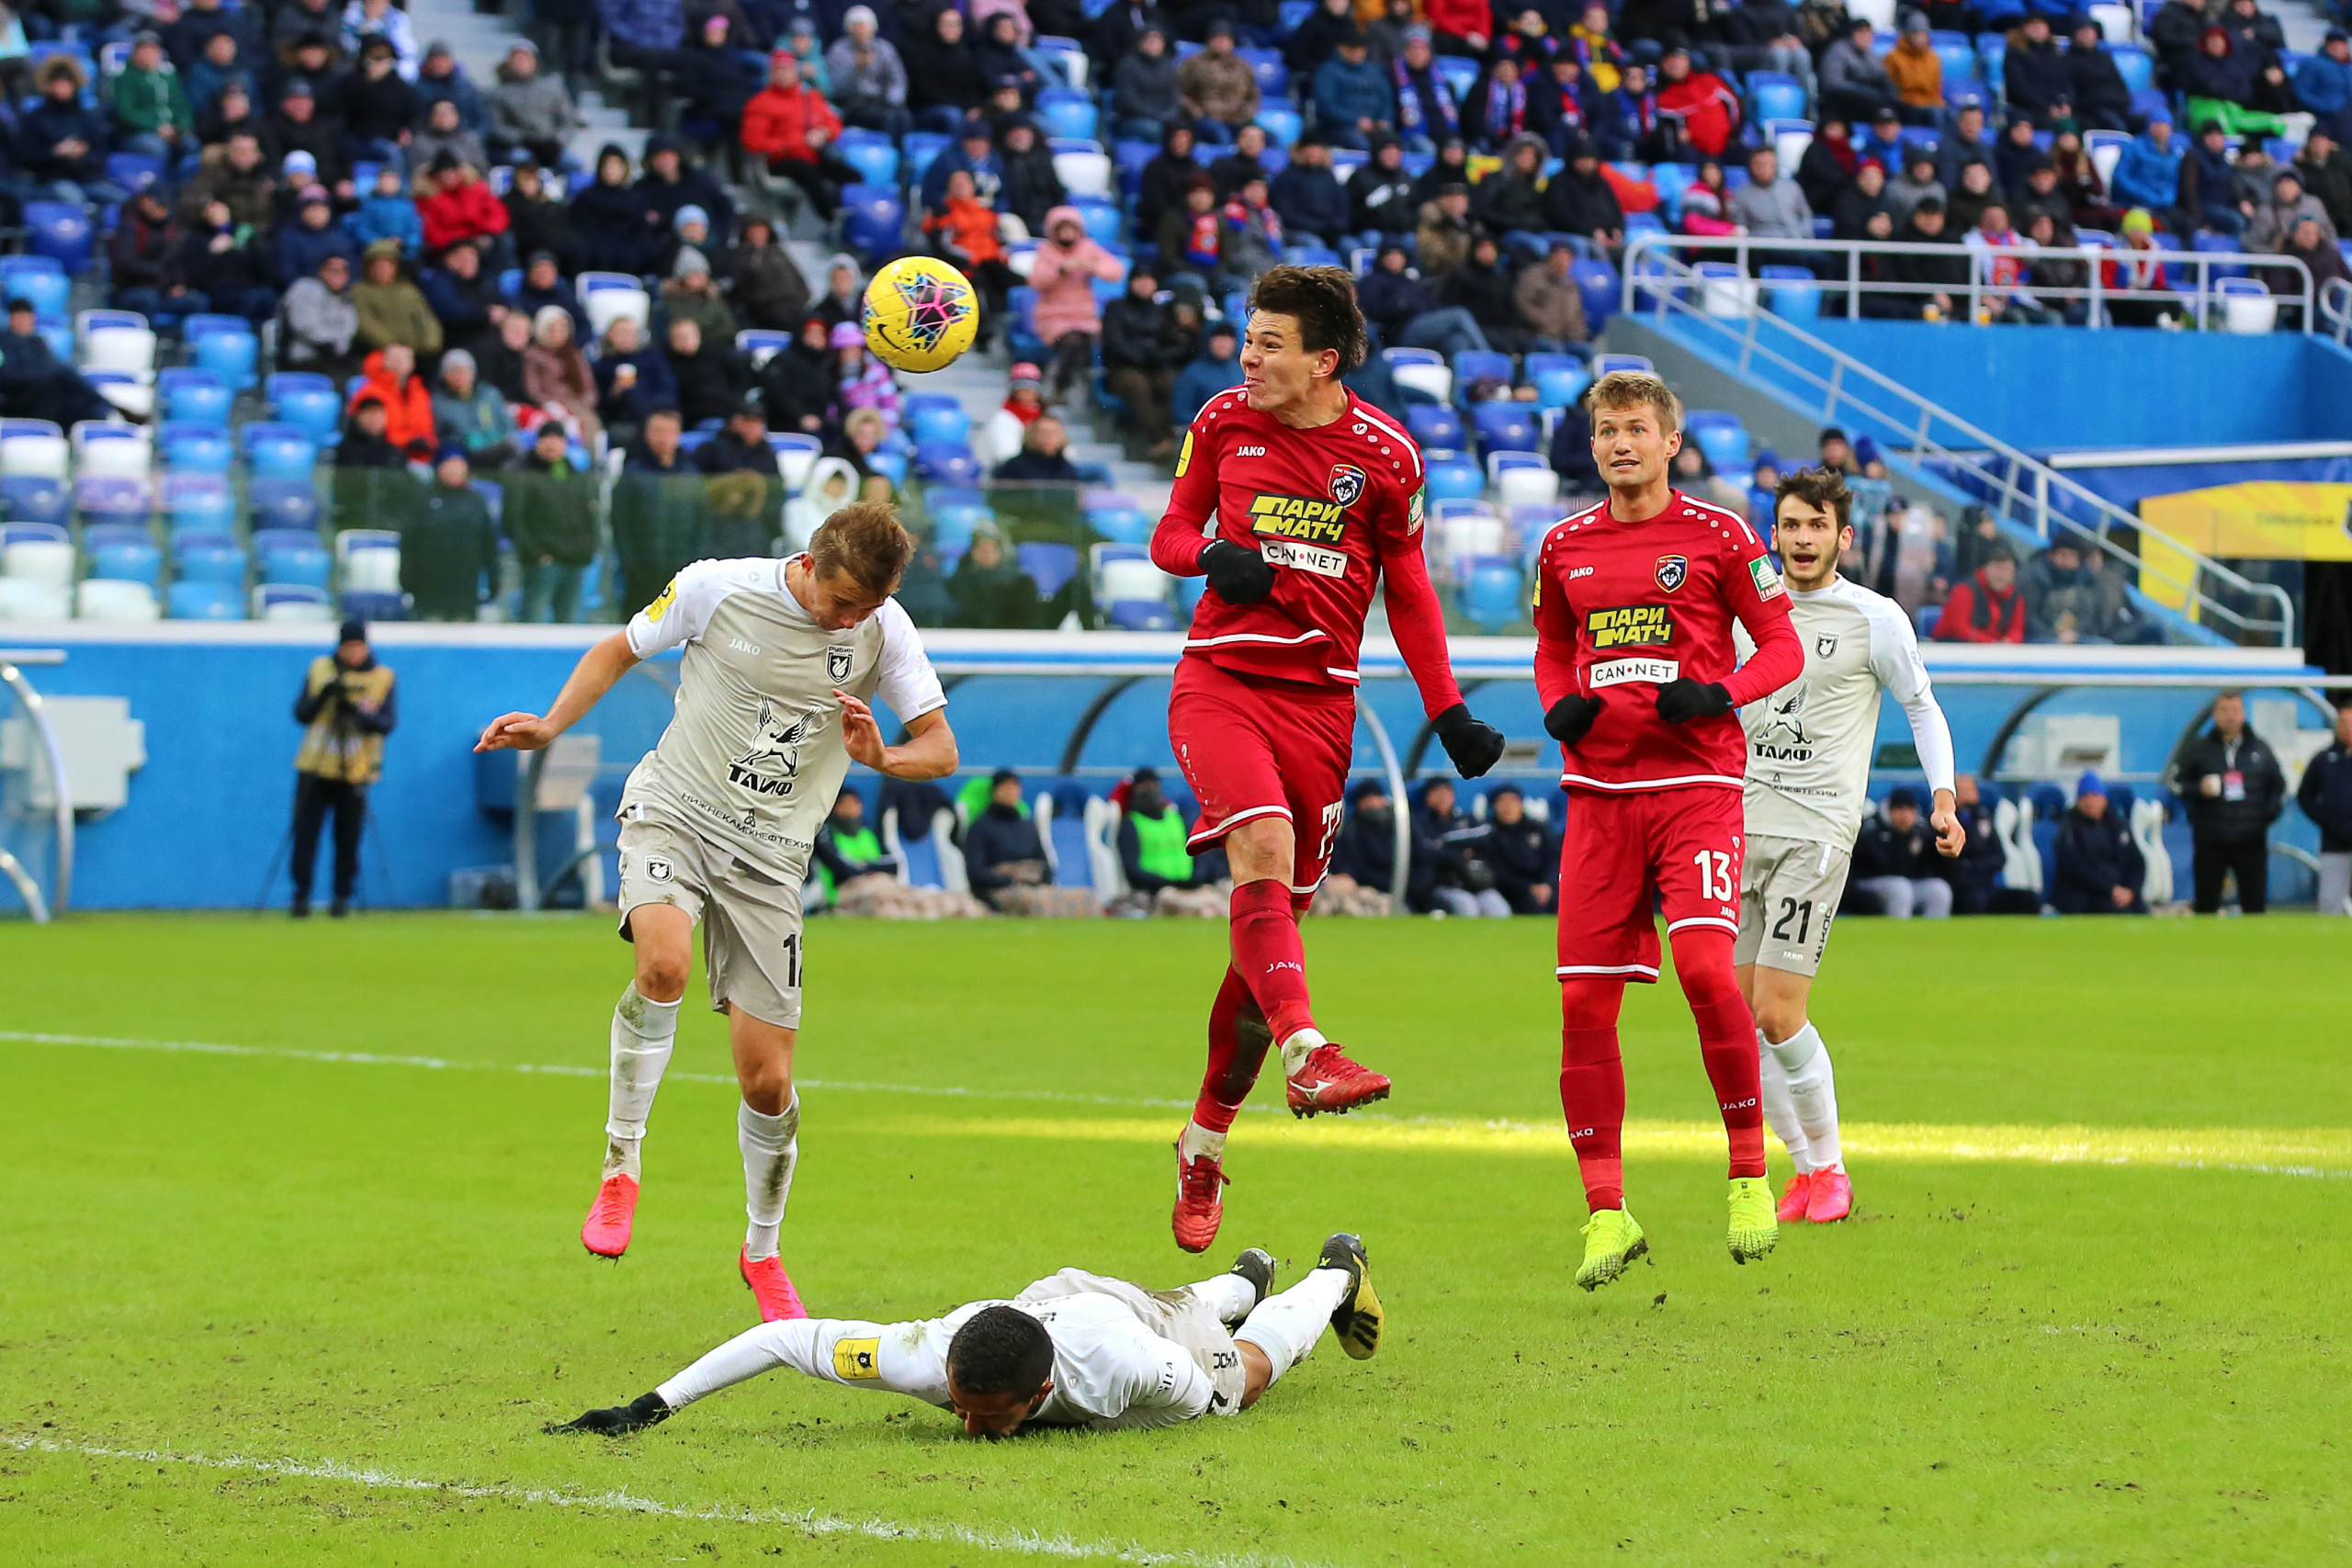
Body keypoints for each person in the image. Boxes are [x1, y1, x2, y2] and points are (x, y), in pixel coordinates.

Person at [475, 503, 958, 1321]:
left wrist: (882, 757)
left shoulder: (887, 630)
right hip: (677, 811)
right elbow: (619, 648)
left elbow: (941, 747)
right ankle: (621, 1165)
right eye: (842, 602)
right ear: (809, 562)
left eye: (867, 608)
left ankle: (761, 1250)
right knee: (661, 964)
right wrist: (552, 723)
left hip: (772, 861)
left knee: (768, 1081)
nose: (850, 619)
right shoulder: (715, 589)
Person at [1145, 265, 1498, 1247]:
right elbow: (1169, 530)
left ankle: (1204, 1145)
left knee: (1266, 953)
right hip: (1220, 681)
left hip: (1322, 711)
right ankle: (1312, 1050)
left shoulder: (1385, 456)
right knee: (1256, 846)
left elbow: (1411, 590)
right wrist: (1212, 555)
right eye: (1246, 339)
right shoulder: (1221, 423)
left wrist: (1450, 711)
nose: (1247, 359)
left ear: (1322, 361)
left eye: (1267, 345)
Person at [1529, 369, 1805, 1291]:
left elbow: (1781, 646)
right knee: (1579, 1005)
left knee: (1700, 970)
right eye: (1605, 429)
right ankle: (1605, 1211)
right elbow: (1550, 647)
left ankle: (1747, 1174)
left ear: (1670, 441)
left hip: (1696, 786)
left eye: (1635, 428)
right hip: (1599, 795)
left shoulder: (1722, 535)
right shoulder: (1561, 546)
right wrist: (1558, 703)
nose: (1618, 443)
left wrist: (1718, 692)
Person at [551, 1233, 1381, 1439]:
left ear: (1044, 1395)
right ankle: (1243, 1278)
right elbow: (781, 1339)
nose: (971, 1428)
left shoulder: (1125, 1372)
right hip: (1049, 1297)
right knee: (1170, 1303)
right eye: (964, 1404)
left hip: (1123, 1323)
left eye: (991, 1417)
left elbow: (1199, 1399)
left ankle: (1335, 1270)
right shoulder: (921, 1356)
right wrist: (647, 1405)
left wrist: (1207, 1384)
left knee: (1244, 1380)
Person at [1735, 468, 1961, 1224]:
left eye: (1817, 526)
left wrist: (1943, 796)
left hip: (1816, 829)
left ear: (1843, 536)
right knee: (1741, 1018)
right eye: (1791, 525)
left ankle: (1829, 1167)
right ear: (1775, 532)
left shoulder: (1875, 618)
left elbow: (1922, 708)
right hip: (1732, 824)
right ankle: (1805, 1171)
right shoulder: (1743, 610)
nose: (1803, 539)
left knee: (1777, 1007)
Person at [288, 620, 396, 919]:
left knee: (348, 838)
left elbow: (387, 723)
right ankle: (301, 896)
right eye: (348, 647)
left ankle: (342, 897)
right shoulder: (320, 670)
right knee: (306, 833)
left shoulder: (382, 678)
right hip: (315, 767)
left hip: (356, 770)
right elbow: (301, 713)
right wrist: (325, 696)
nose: (353, 654)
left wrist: (356, 714)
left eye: (358, 647)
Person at [2174, 690, 2286, 914]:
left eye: (2235, 710)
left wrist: (2262, 818)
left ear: (2243, 714)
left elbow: (2278, 787)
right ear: (2215, 715)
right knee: (2206, 907)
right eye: (2224, 711)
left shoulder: (2260, 749)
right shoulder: (2199, 750)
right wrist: (2200, 789)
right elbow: (2177, 785)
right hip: (2211, 840)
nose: (2230, 716)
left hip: (2250, 840)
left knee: (2254, 908)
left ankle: (2255, 949)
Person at [1028, 206, 1126, 400]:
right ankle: (1061, 385)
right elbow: (1036, 281)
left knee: (1094, 340)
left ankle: (1086, 388)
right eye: (1062, 229)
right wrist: (1061, 270)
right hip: (1054, 316)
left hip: (1084, 316)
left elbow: (1116, 270)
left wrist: (1093, 267)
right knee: (1072, 342)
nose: (1067, 234)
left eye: (1071, 229)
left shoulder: (1088, 249)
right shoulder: (1046, 252)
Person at [506, 423, 598, 622]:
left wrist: (586, 550)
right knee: (533, 621)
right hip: (542, 563)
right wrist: (537, 555)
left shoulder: (575, 475)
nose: (552, 444)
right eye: (546, 438)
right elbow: (513, 519)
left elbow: (589, 516)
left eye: (557, 439)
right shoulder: (522, 473)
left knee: (569, 623)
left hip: (575, 561)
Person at [403, 447, 501, 622]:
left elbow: (488, 543)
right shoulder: (424, 499)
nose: (454, 471)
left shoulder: (476, 501)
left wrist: (494, 579)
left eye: (459, 466)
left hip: (465, 591)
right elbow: (409, 542)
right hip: (429, 591)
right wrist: (406, 579)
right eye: (449, 466)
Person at [1101, 265, 1185, 459]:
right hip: (1123, 367)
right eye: (1140, 279)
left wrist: (1161, 356)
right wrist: (1140, 357)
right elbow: (1114, 342)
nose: (1145, 285)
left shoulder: (1161, 311)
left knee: (1169, 383)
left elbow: (1172, 341)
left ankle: (1175, 437)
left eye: (1149, 280)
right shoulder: (1115, 307)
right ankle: (1160, 439)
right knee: (1138, 386)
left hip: (1155, 365)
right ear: (1131, 282)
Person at [2050, 772, 2146, 914]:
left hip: (2119, 891)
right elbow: (2074, 868)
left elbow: (2138, 863)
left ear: (2104, 799)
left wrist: (2131, 890)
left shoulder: (2117, 826)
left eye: (2095, 796)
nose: (2090, 802)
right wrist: (2110, 889)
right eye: (2085, 797)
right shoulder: (2068, 827)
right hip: (2086, 892)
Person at [2299, 704, 2352, 915]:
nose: (2349, 728)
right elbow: (2305, 796)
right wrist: (2327, 819)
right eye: (2344, 723)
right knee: (2330, 904)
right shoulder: (2324, 759)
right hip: (2334, 844)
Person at [1473, 785, 1555, 913]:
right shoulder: (1490, 834)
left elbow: (1553, 859)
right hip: (1512, 890)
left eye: (1513, 800)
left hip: (1544, 886)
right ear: (1494, 806)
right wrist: (1529, 888)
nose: (1508, 806)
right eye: (1502, 801)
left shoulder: (1538, 829)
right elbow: (1497, 872)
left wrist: (1547, 884)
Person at [433, 347, 520, 468]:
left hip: (499, 448)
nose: (459, 376)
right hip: (466, 453)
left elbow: (508, 425)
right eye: (453, 371)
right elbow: (443, 435)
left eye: (463, 370)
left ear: (472, 372)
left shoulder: (490, 394)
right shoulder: (439, 403)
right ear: (445, 375)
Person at [1178, 19, 1260, 141]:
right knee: (1223, 136)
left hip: (1237, 118)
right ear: (1209, 41)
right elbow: (1181, 93)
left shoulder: (1243, 66)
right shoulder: (1193, 65)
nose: (1222, 42)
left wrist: (1246, 114)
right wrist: (1197, 112)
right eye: (1218, 38)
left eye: (1226, 39)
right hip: (1208, 118)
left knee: (1267, 138)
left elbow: (1253, 96)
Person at [1935, 540, 2026, 642]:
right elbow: (1959, 628)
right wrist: (1989, 642)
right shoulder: (1964, 590)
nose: (2001, 575)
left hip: (1995, 651)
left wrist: (2008, 641)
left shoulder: (2015, 597)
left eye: (2006, 570)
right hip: (1953, 647)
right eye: (1997, 569)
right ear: (1986, 568)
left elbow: (2017, 630)